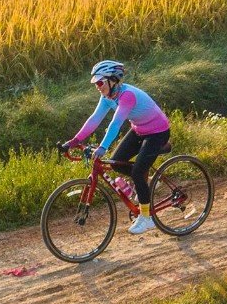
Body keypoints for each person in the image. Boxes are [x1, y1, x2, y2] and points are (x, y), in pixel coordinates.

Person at [59, 60, 172, 234]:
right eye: (95, 83)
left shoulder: (127, 95)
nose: (97, 86)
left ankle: (147, 218)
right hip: (139, 130)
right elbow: (94, 119)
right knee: (116, 163)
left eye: (99, 82)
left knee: (136, 172)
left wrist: (103, 147)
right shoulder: (107, 97)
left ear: (112, 80)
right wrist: (73, 141)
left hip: (158, 132)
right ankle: (144, 181)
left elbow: (115, 124)